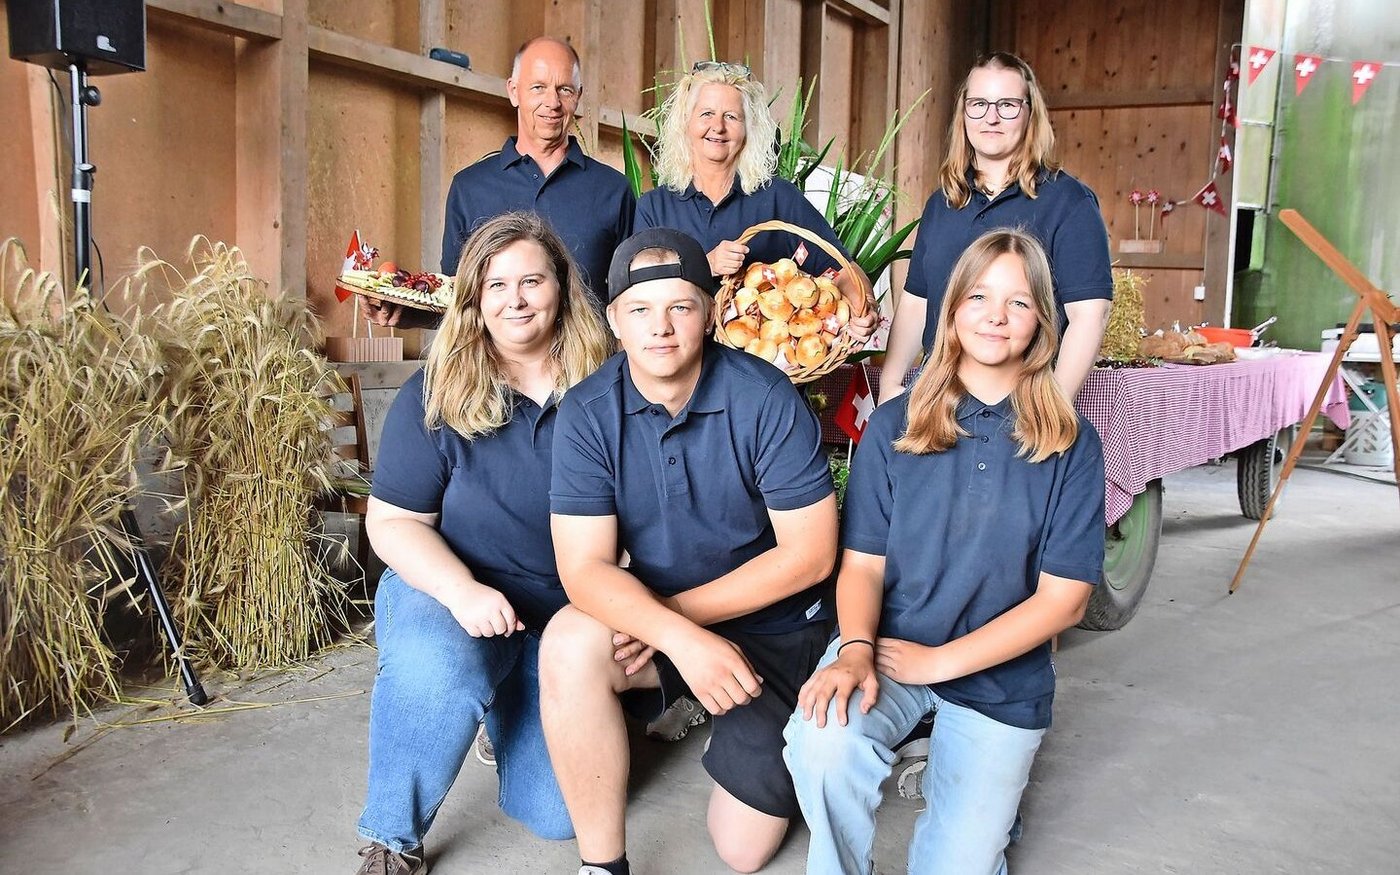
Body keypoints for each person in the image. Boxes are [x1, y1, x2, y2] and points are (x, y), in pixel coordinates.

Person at [783, 229, 1106, 875]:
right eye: (980, 295)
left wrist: (943, 662)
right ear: (952, 309)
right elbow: (863, 566)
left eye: (1019, 302)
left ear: (1043, 319)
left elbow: (1064, 599)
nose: (996, 314)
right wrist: (854, 651)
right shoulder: (895, 428)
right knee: (822, 741)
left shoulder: (1069, 443)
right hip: (894, 649)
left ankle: (984, 801)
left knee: (959, 863)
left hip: (1000, 676)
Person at [542, 228, 839, 875]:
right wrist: (680, 637)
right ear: (615, 319)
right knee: (569, 640)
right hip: (671, 632)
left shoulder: (764, 397)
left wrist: (679, 622)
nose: (662, 327)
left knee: (742, 849)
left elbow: (812, 554)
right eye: (642, 310)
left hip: (778, 629)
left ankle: (833, 728)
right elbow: (582, 569)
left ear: (710, 312)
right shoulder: (590, 412)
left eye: (681, 306)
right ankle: (602, 865)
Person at [353, 212, 613, 875]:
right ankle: (393, 836)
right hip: (452, 593)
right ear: (474, 297)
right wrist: (460, 590)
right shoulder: (439, 389)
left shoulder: (611, 382)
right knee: (440, 670)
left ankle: (503, 701)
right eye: (497, 285)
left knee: (556, 815)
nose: (516, 299)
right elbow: (391, 523)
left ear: (563, 288)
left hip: (561, 617)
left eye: (531, 280)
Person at [878, 52, 1112, 404]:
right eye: (978, 104)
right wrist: (890, 383)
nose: (991, 117)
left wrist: (1053, 406)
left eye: (1007, 104)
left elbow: (1090, 314)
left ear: (1030, 113)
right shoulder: (942, 204)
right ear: (964, 113)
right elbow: (916, 301)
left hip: (1021, 400)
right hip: (939, 399)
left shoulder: (1069, 203)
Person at [359, 36, 634, 329]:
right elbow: (457, 300)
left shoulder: (614, 191)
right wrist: (408, 314)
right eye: (538, 87)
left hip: (587, 371)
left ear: (578, 96)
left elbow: (633, 301)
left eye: (564, 90)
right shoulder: (470, 188)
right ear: (514, 91)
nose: (552, 103)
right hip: (493, 372)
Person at [635, 60, 875, 338]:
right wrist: (704, 265)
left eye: (731, 117)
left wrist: (864, 308)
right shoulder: (654, 207)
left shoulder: (778, 198)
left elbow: (842, 270)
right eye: (706, 114)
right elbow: (640, 294)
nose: (718, 127)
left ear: (749, 130)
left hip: (766, 372)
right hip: (678, 371)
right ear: (685, 124)